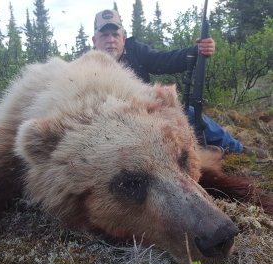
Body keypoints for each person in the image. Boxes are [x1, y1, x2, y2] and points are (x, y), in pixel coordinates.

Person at [91, 9, 259, 156]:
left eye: (115, 34)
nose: (111, 40)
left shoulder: (137, 51)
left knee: (189, 112)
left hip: (147, 116)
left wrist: (197, 51)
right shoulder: (86, 68)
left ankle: (237, 149)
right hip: (109, 125)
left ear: (124, 38)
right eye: (104, 35)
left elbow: (166, 59)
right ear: (94, 40)